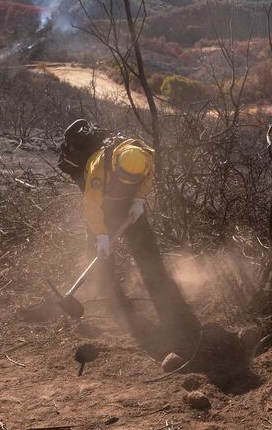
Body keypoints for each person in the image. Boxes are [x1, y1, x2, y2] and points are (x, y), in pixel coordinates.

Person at [58, 119, 200, 351]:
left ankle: (164, 296)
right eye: (124, 178)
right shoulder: (97, 166)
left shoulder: (145, 157)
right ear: (116, 165)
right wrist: (102, 235)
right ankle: (109, 295)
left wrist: (139, 200)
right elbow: (91, 205)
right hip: (102, 207)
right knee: (99, 253)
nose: (127, 182)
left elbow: (147, 179)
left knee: (148, 251)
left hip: (128, 206)